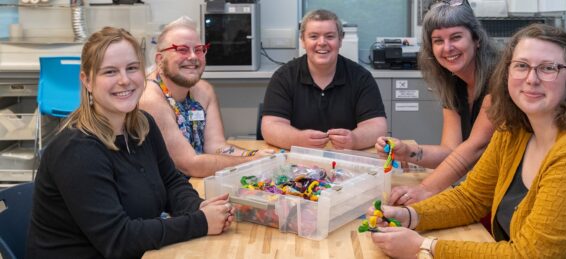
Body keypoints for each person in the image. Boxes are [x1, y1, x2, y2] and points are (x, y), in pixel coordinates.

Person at [367, 24, 566, 258]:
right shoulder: (514, 130)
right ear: (507, 73)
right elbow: (470, 198)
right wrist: (410, 216)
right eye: (521, 66)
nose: (531, 79)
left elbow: (529, 255)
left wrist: (425, 247)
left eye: (548, 68)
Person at [26, 27, 235, 259]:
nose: (124, 80)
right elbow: (119, 240)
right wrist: (200, 222)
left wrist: (197, 207)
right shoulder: (76, 151)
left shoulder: (143, 125)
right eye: (110, 72)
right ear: (86, 80)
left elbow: (171, 182)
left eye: (132, 68)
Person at [376, 0, 498, 205]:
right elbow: (450, 151)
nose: (448, 48)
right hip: (487, 191)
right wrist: (406, 151)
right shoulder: (454, 83)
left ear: (476, 39)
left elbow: (474, 148)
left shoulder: (498, 80)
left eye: (456, 37)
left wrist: (424, 189)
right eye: (438, 40)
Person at [139, 16, 273, 177]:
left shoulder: (204, 90)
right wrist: (253, 162)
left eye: (199, 49)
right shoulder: (150, 100)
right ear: (160, 59)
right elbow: (190, 164)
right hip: (165, 195)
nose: (193, 57)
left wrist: (258, 155)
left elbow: (216, 146)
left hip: (197, 183)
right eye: (182, 49)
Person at [261, 9, 387, 150]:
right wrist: (298, 139)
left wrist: (355, 139)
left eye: (330, 36)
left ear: (340, 40)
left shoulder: (361, 77)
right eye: (313, 36)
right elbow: (270, 126)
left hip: (347, 160)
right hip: (296, 161)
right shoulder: (284, 77)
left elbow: (377, 126)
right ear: (303, 40)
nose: (322, 43)